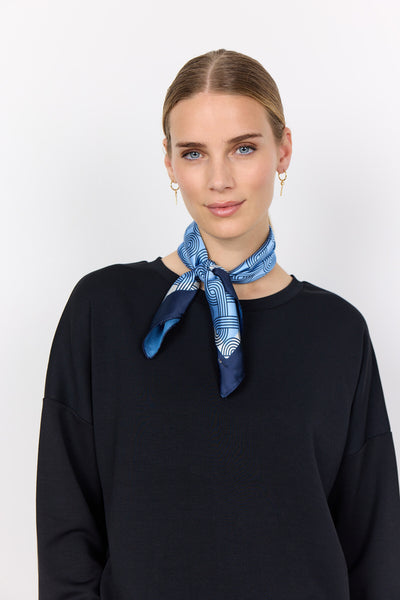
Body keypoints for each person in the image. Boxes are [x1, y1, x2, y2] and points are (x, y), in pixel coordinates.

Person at [36, 48, 400, 599]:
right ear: (169, 163)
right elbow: (67, 528)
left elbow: (374, 546)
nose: (219, 179)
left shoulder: (338, 331)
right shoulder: (102, 309)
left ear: (283, 150)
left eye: (243, 148)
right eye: (194, 153)